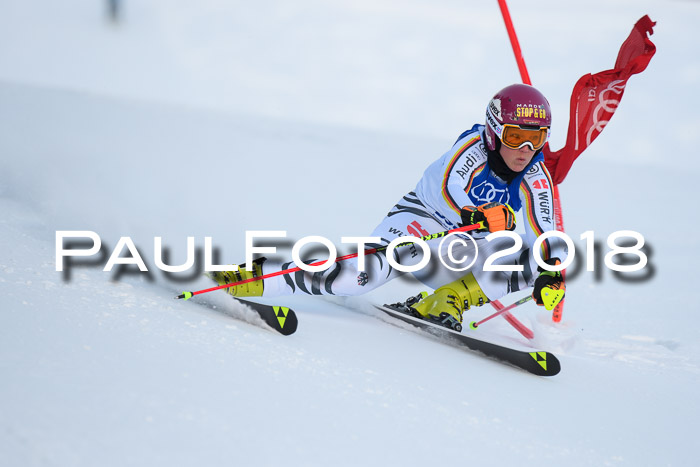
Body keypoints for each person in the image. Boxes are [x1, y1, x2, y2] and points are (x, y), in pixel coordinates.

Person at [210, 84, 566, 331]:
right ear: (493, 131)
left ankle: (445, 302)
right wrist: (475, 213)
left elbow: (546, 230)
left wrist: (551, 273)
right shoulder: (473, 147)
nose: (526, 149)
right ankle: (254, 277)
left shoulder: (536, 173)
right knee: (358, 277)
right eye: (515, 136)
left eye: (537, 138)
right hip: (424, 222)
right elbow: (449, 185)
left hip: (465, 247)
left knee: (542, 256)